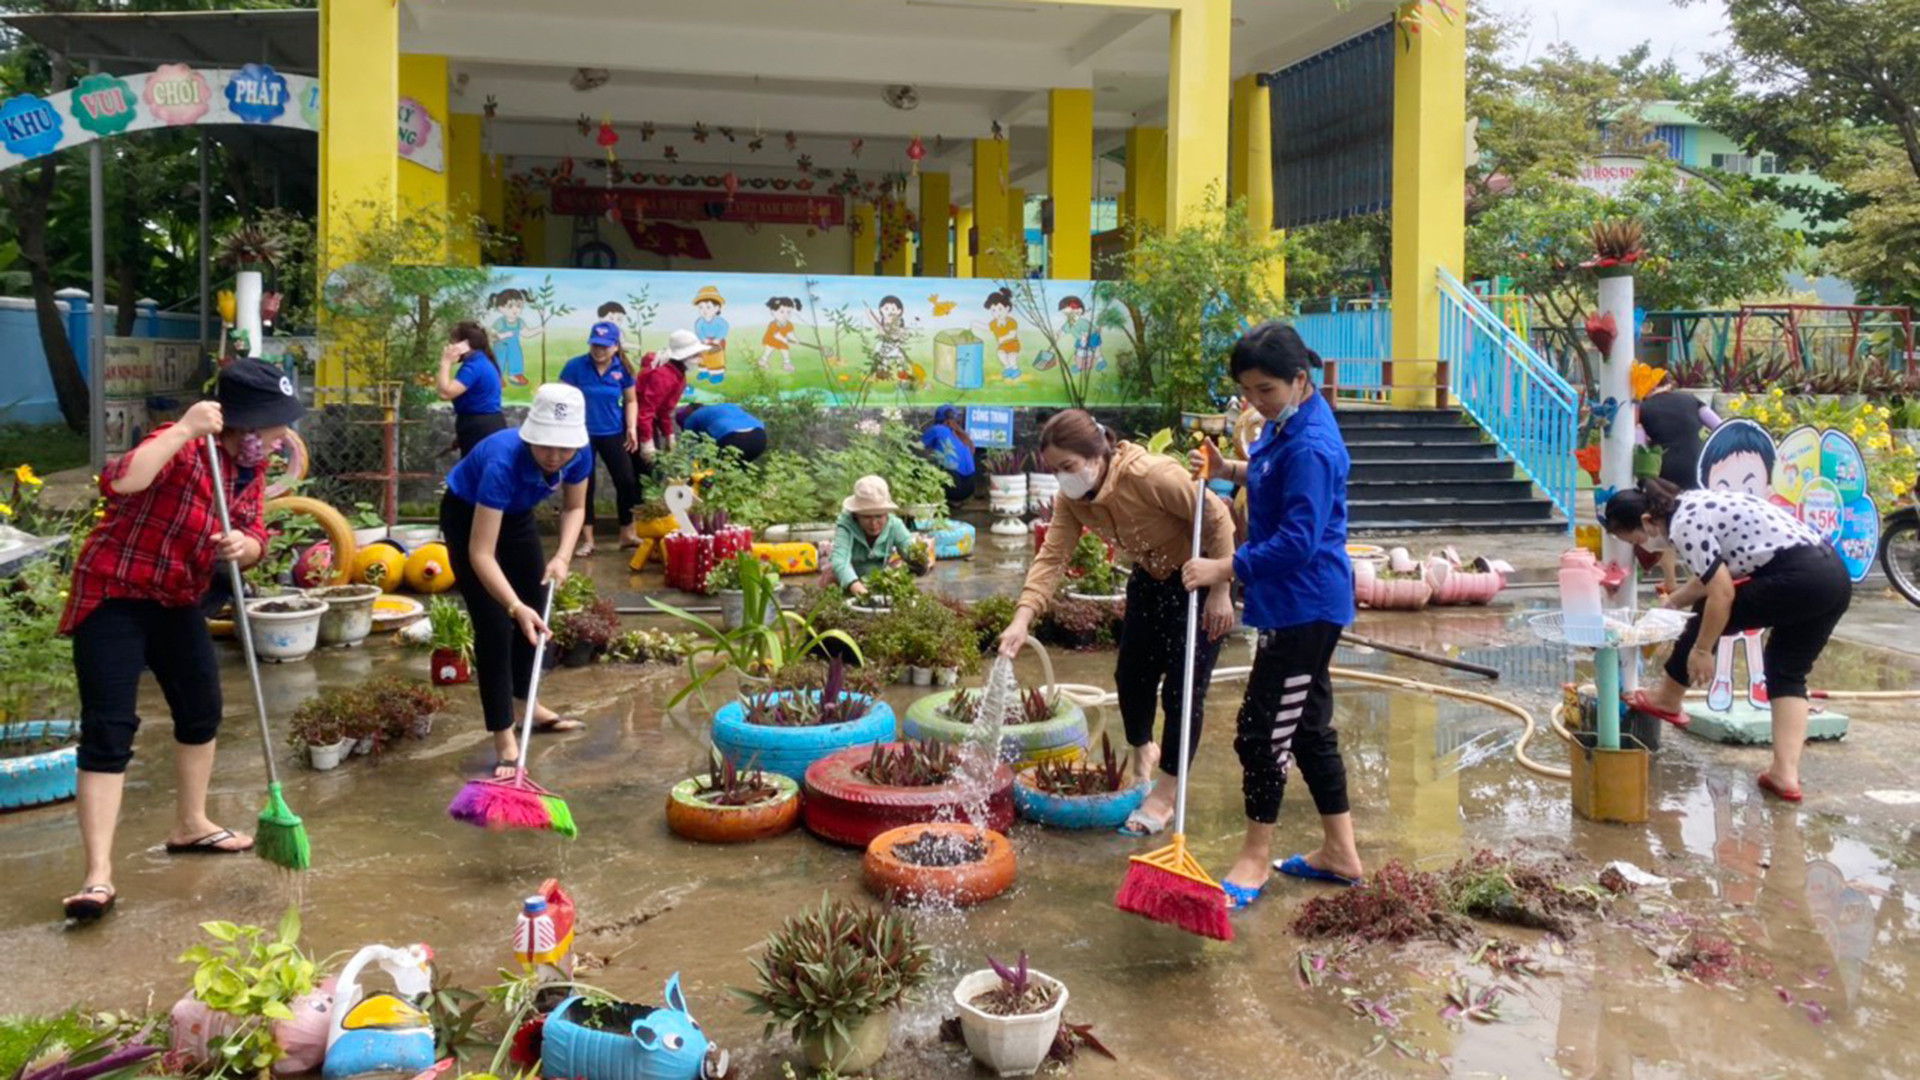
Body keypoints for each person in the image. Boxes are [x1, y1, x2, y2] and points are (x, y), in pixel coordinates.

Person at [57, 358, 304, 921]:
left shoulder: (249, 465)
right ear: (243, 419)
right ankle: (97, 876)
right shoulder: (184, 441)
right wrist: (185, 429)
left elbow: (257, 529)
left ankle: (191, 824)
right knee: (109, 726)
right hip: (115, 594)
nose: (278, 434)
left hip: (177, 598)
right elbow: (121, 481)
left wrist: (248, 547)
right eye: (271, 423)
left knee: (201, 710)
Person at [1182, 322, 1364, 909]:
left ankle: (1255, 859)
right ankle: (1340, 854)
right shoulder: (1290, 426)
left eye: (1264, 390)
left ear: (1299, 380)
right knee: (1308, 729)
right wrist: (1226, 469)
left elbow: (1297, 541)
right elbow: (1268, 476)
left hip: (1303, 606)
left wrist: (1223, 568)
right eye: (1246, 391)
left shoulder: (1311, 445)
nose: (1253, 402)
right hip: (1298, 605)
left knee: (1261, 735)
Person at [997, 410, 1235, 836]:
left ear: (1097, 453)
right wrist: (1022, 620)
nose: (1063, 479)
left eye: (1068, 467)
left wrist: (1220, 588)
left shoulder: (1151, 475)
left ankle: (1165, 794)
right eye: (1055, 471)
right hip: (1151, 579)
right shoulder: (1074, 498)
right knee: (1131, 676)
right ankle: (1144, 750)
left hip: (1198, 580)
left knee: (1183, 690)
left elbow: (1216, 517)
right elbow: (1052, 557)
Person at [1605, 477, 1849, 802]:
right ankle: (1784, 775)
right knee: (1787, 672)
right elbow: (1710, 575)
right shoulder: (1693, 504)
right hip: (1833, 578)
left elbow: (1721, 592)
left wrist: (1703, 649)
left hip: (1798, 576)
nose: (1642, 546)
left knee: (1708, 611)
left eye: (1634, 538)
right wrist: (1672, 601)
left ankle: (1667, 697)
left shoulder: (1682, 525)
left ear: (1648, 521)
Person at [441, 384, 593, 779]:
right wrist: (512, 606)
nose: (555, 456)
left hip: (517, 515)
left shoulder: (579, 455)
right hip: (468, 516)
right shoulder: (502, 463)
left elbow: (575, 507)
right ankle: (504, 735)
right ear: (530, 434)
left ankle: (527, 704)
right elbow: (481, 554)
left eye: (564, 448)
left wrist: (562, 556)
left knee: (538, 610)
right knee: (495, 626)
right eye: (546, 446)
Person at [1636, 371, 1723, 590]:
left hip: (1666, 470)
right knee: (1702, 517)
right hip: (1699, 464)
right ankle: (1707, 576)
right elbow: (1719, 427)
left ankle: (1670, 581)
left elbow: (1639, 447)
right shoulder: (1691, 400)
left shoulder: (1643, 410)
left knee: (1668, 521)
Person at [559, 321, 640, 555]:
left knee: (626, 480)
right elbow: (562, 397)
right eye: (595, 345)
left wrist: (631, 427)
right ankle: (587, 539)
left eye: (605, 346)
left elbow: (631, 400)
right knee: (585, 485)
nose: (599, 350)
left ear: (615, 347)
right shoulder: (575, 367)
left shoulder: (622, 368)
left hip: (613, 432)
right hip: (580, 435)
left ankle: (627, 532)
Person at [829, 476, 922, 596]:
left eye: (879, 516)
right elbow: (839, 561)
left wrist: (919, 560)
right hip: (849, 581)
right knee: (830, 576)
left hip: (880, 580)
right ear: (856, 515)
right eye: (866, 517)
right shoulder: (846, 525)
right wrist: (861, 592)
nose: (873, 523)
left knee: (900, 566)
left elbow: (909, 549)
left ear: (887, 514)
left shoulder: (894, 525)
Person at [634, 329, 706, 471]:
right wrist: (647, 442)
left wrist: (669, 436)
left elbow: (665, 410)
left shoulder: (678, 375)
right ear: (685, 356)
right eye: (696, 355)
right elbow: (645, 411)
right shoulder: (663, 376)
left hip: (647, 421)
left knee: (655, 467)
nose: (700, 357)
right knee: (648, 470)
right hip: (637, 423)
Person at [437, 321, 506, 456]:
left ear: (464, 345)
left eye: (452, 343)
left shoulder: (474, 366)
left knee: (476, 473)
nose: (450, 347)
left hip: (481, 427)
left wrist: (445, 362)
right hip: (482, 425)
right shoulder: (482, 361)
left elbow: (445, 392)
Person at [921, 404, 977, 508]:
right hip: (970, 489)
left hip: (954, 489)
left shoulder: (936, 429)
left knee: (919, 466)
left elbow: (918, 447)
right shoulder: (963, 436)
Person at [676, 402, 768, 463]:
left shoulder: (692, 418)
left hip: (733, 438)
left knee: (712, 472)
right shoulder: (726, 406)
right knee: (737, 471)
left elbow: (689, 448)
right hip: (759, 437)